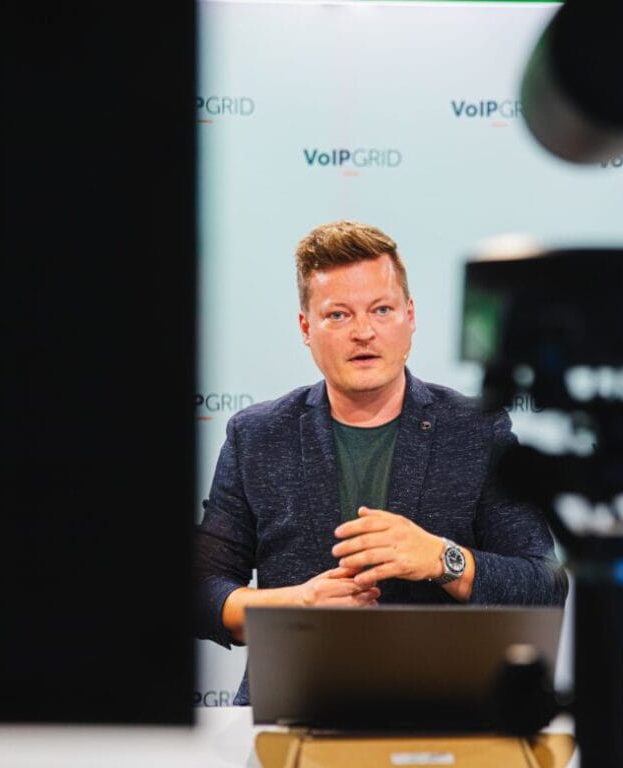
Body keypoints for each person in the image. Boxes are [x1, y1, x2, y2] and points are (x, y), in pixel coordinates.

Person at [193, 220, 567, 704]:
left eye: (382, 310)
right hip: (291, 709)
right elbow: (202, 590)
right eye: (338, 315)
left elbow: (544, 586)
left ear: (410, 317)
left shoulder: (477, 429)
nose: (364, 332)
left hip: (442, 710)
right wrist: (296, 603)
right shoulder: (257, 435)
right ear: (306, 328)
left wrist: (441, 558)